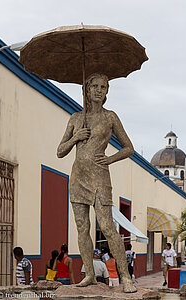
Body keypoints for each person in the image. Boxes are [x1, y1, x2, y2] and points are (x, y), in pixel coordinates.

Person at [57, 73, 136, 293]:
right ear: (87, 89)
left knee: (108, 228)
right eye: (95, 86)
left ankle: (125, 277)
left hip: (100, 176)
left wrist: (110, 159)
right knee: (82, 228)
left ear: (107, 91)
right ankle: (90, 275)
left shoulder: (110, 117)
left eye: (103, 87)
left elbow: (129, 147)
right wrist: (76, 137)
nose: (99, 90)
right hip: (78, 178)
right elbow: (60, 151)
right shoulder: (75, 118)